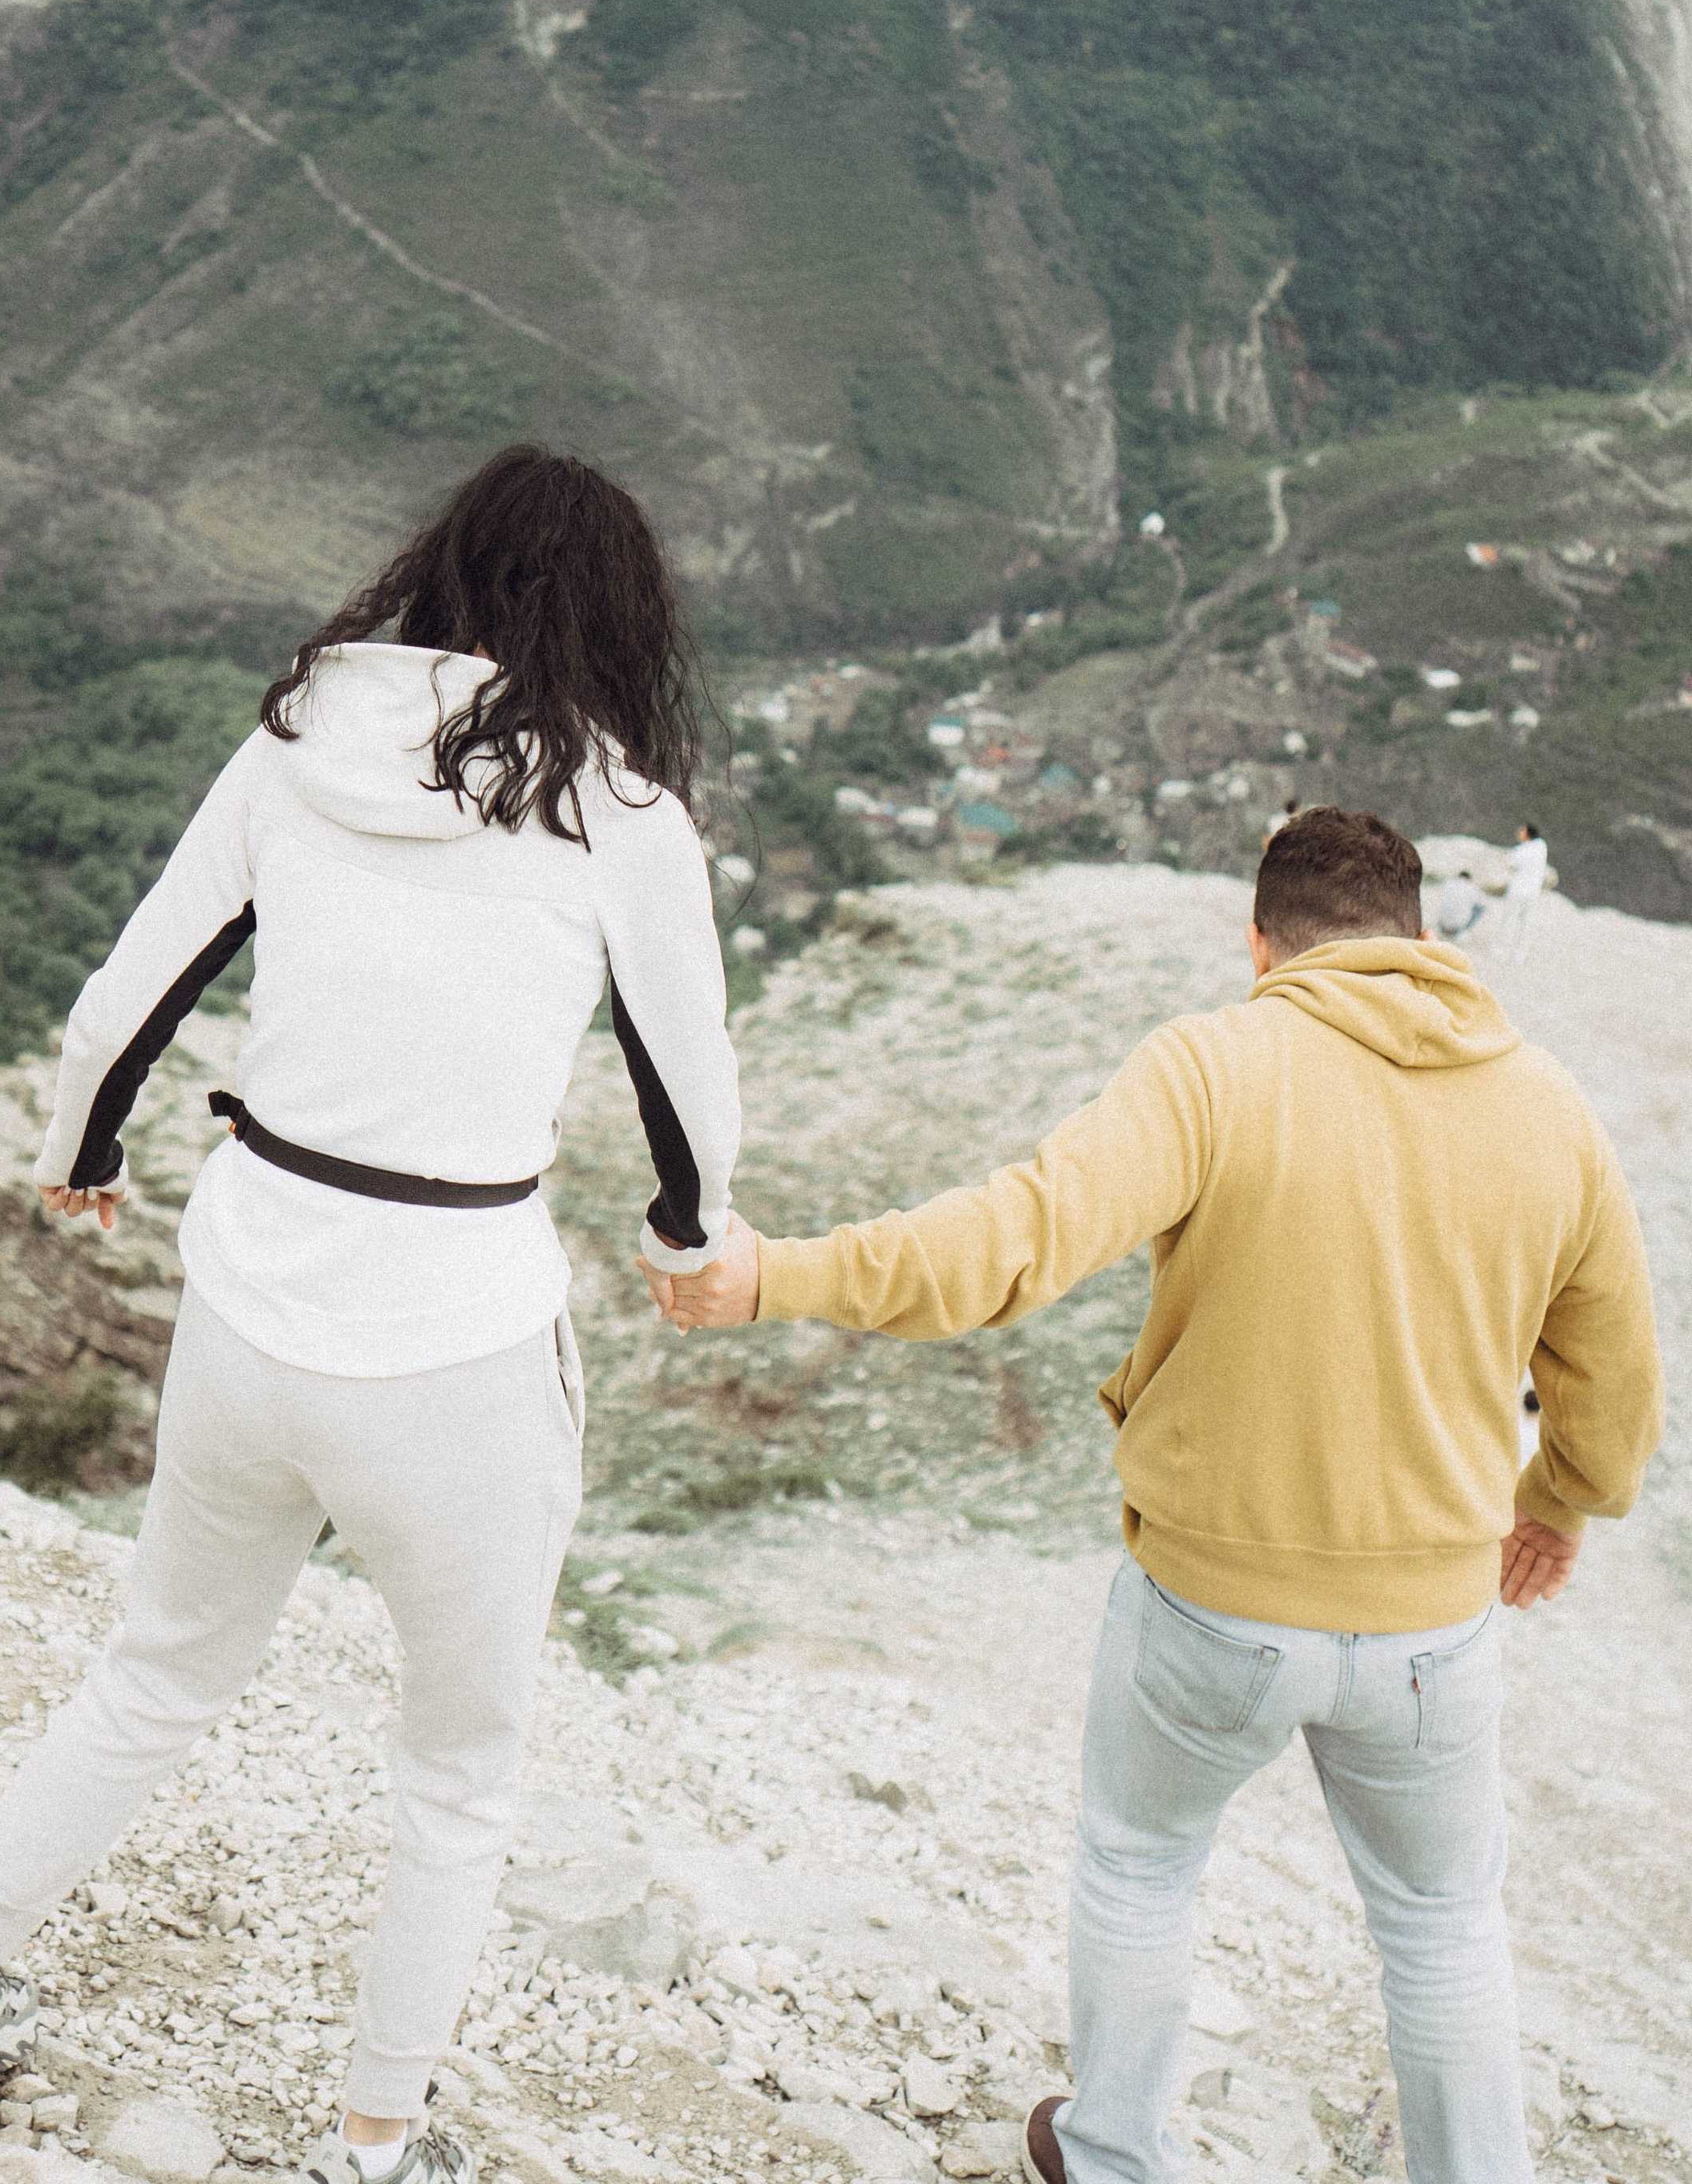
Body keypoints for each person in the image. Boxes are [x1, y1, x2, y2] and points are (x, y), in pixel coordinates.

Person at [0, 447, 742, 2183]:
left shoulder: (296, 740)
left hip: (251, 1309)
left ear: (441, 572)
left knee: (155, 1674)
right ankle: (371, 2144)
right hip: (460, 1347)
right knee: (460, 1772)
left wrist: (79, 1153)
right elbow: (686, 1095)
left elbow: (134, 990)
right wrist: (692, 1236)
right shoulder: (623, 822)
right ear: (622, 623)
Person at [653, 807, 1663, 2184]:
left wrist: (777, 1275)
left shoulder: (1217, 1066)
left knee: (1141, 1868)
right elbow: (1613, 1367)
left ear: (1261, 945)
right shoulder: (1547, 1106)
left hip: (1213, 1605)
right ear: (1425, 942)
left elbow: (1011, 1244)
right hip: (1434, 1621)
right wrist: (1561, 1498)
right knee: (1442, 1929)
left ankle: (1120, 2154)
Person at [1496, 821, 1548, 962]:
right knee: (1526, 924)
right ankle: (1520, 954)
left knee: (1509, 921)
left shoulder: (1520, 850)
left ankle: (1502, 951)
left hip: (1517, 890)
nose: (1519, 833)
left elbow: (1510, 865)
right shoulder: (1542, 847)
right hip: (1533, 892)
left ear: (1527, 833)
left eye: (1522, 830)